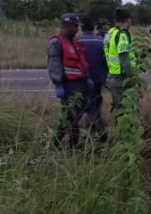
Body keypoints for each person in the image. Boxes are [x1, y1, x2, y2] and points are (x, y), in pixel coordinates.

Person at [47, 13, 93, 146]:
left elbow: (81, 63)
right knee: (69, 116)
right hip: (68, 86)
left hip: (80, 84)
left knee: (76, 115)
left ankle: (73, 143)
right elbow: (54, 65)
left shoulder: (73, 42)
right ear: (67, 26)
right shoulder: (56, 43)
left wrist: (87, 78)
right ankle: (54, 143)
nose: (77, 30)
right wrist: (58, 85)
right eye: (75, 27)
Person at [79, 16, 107, 140]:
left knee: (80, 104)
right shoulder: (100, 41)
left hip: (81, 79)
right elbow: (106, 60)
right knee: (95, 103)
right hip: (98, 79)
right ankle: (97, 129)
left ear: (82, 27)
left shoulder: (77, 41)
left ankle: (92, 130)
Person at [104, 8, 136, 114]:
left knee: (119, 108)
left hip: (112, 75)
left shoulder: (110, 33)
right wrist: (132, 76)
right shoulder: (121, 35)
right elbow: (124, 58)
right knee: (125, 110)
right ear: (128, 20)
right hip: (121, 77)